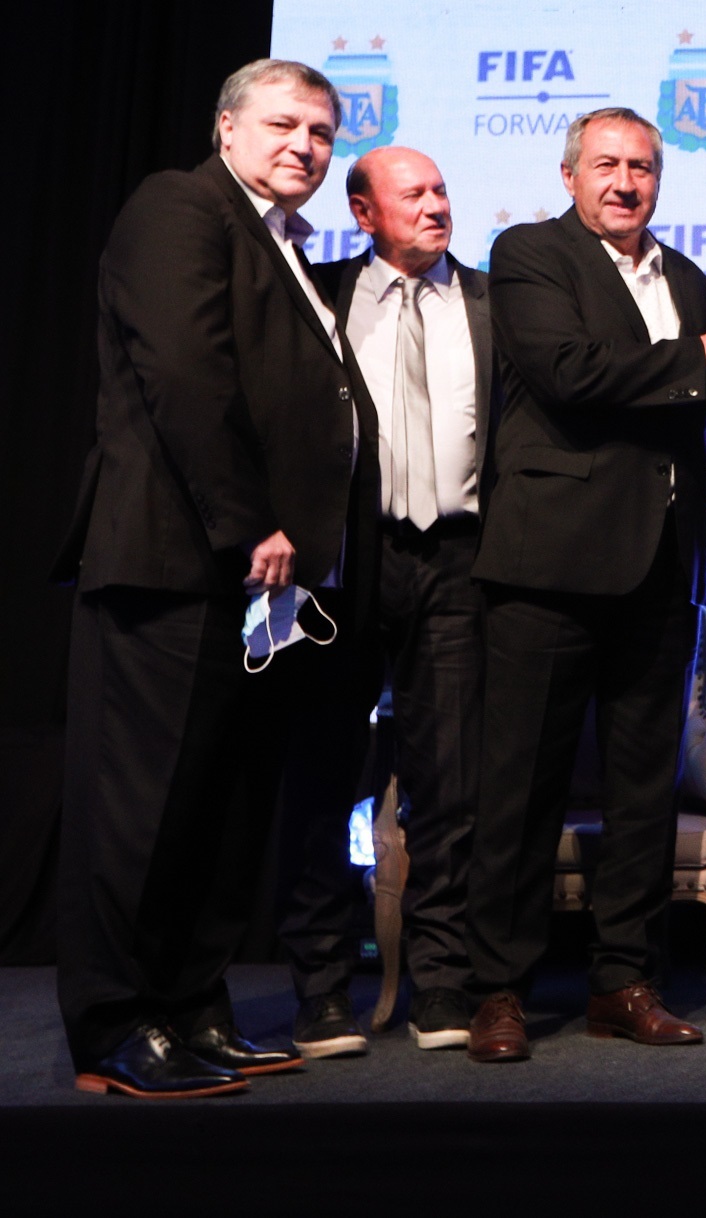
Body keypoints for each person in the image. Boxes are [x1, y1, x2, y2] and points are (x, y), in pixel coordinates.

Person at [54, 59, 379, 1097]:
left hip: (252, 582)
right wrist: (254, 526)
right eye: (284, 124)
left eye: (323, 133)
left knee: (220, 807)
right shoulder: (178, 206)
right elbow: (188, 379)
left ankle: (191, 1004)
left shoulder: (285, 244)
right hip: (175, 560)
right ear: (227, 128)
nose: (304, 145)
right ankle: (115, 1021)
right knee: (142, 809)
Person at [462, 107, 706, 1062]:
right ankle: (500, 991)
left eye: (642, 166)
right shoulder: (528, 255)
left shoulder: (684, 276)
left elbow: (704, 416)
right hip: (549, 565)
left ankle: (624, 981)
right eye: (607, 164)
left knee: (645, 787)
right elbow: (570, 376)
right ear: (570, 176)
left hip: (662, 565)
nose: (626, 181)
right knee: (522, 786)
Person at [309, 147, 493, 1052]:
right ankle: (319, 990)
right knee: (323, 774)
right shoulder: (316, 295)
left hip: (458, 558)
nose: (435, 205)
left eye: (442, 189)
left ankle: (443, 986)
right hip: (347, 559)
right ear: (363, 212)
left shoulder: (495, 302)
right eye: (412, 193)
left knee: (449, 782)